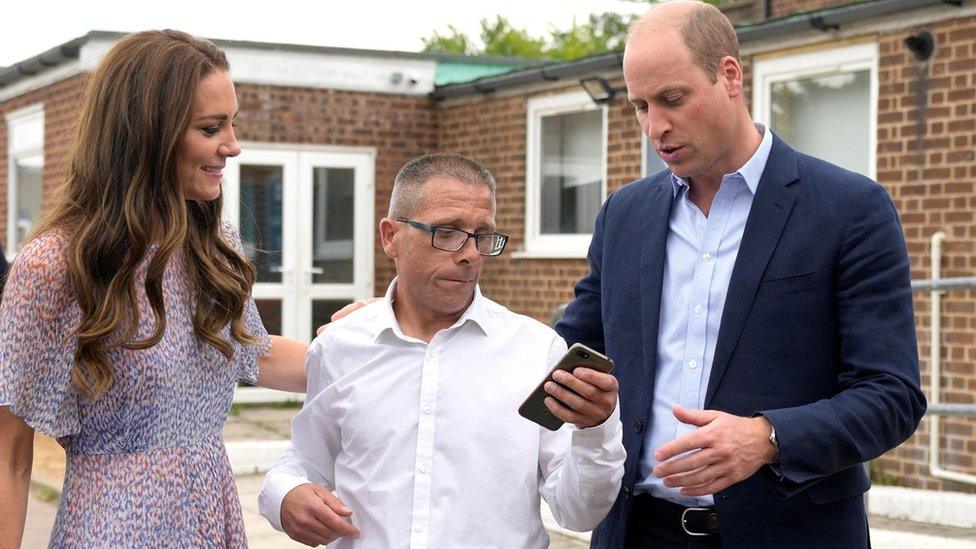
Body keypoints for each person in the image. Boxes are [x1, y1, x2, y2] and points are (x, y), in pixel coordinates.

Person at [553, 2, 926, 548]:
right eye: (640, 106)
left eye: (673, 100)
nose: (655, 126)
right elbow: (569, 350)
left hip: (790, 534)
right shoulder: (623, 215)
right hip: (637, 532)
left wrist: (768, 437)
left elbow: (892, 395)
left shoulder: (849, 209)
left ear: (729, 76)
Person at [0, 30, 309, 548]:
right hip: (115, 529)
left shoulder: (213, 244)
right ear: (147, 135)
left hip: (213, 520)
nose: (233, 145)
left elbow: (255, 354)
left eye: (233, 124)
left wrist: (378, 343)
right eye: (212, 128)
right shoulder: (56, 263)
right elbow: (8, 451)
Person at [258, 153, 626, 548]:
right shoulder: (340, 347)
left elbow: (580, 512)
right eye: (447, 232)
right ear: (391, 237)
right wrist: (284, 494)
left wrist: (595, 431)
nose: (469, 254)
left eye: (482, 235)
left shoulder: (536, 352)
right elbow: (305, 460)